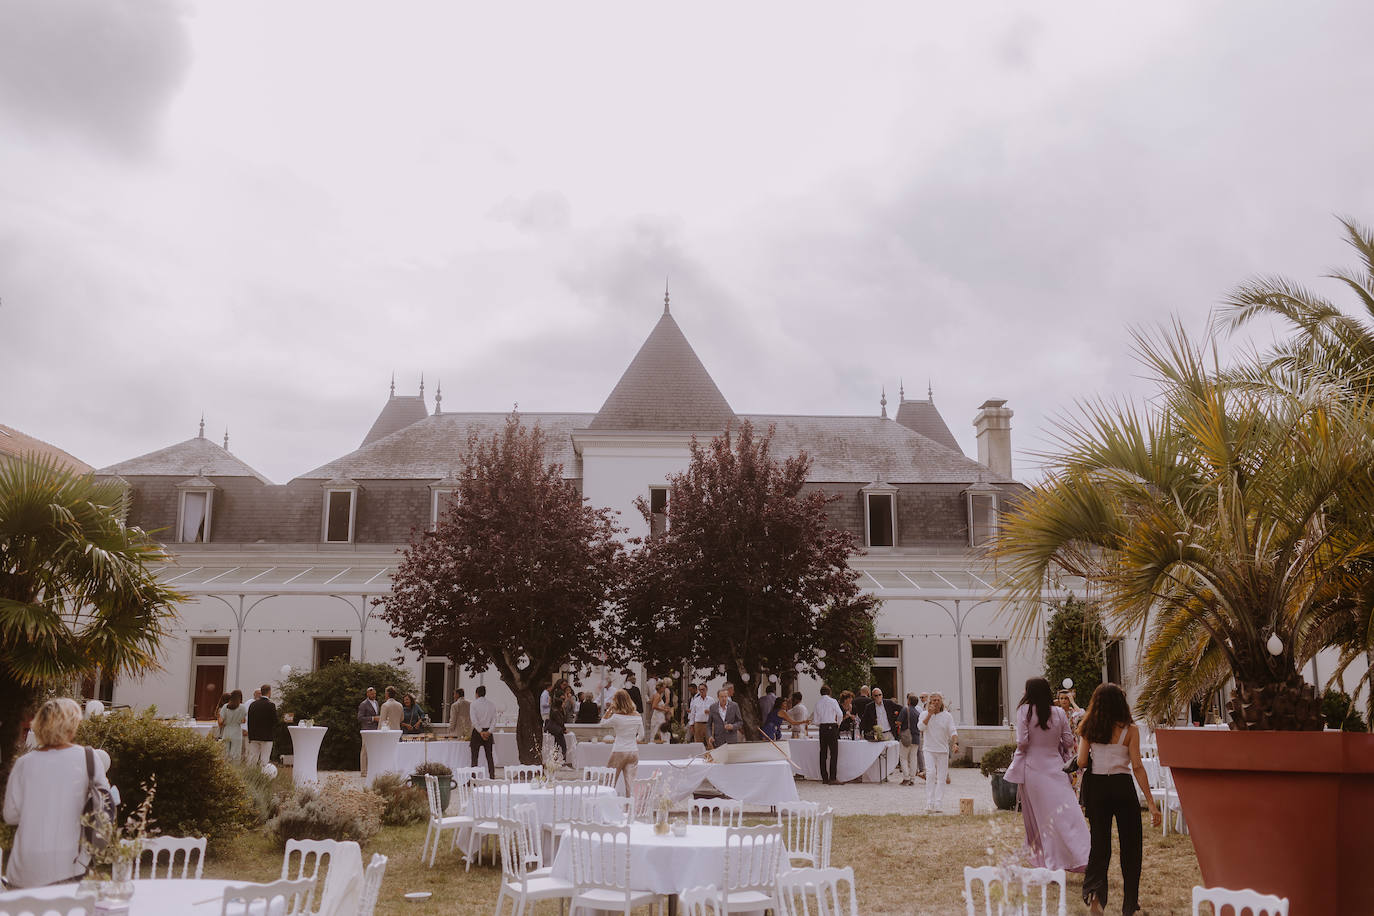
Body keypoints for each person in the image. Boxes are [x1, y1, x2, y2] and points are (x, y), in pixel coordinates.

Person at [2, 698, 112, 888]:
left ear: (39, 725)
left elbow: (10, 816)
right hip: (70, 863)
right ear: (72, 725)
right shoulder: (88, 758)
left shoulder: (24, 763)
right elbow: (105, 804)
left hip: (25, 867)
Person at [1078, 683, 1161, 916]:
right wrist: (1152, 804)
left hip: (1097, 788)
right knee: (1131, 846)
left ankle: (1096, 897)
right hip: (1122, 786)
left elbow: (1082, 762)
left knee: (1100, 845)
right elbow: (1137, 767)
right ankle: (1129, 904)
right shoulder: (1131, 730)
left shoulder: (1088, 727)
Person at [1004, 677, 1090, 873]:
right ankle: (1084, 855)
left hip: (1033, 769)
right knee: (1070, 814)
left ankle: (1051, 863)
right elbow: (1068, 741)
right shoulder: (1059, 712)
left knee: (1042, 819)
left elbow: (1023, 742)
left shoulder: (1024, 711)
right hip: (1056, 768)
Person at [918, 692, 957, 813]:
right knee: (930, 773)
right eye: (933, 700)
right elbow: (920, 728)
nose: (935, 702)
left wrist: (955, 743)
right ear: (930, 702)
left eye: (938, 700)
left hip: (943, 750)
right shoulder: (924, 714)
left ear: (941, 701)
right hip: (928, 749)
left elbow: (953, 731)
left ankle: (938, 803)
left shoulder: (947, 716)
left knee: (941, 778)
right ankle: (929, 802)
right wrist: (929, 715)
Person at [603, 689, 644, 793]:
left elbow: (602, 723)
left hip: (619, 750)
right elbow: (642, 735)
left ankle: (606, 804)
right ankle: (631, 807)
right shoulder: (638, 716)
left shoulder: (616, 717)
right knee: (631, 783)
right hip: (633, 751)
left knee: (609, 781)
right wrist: (635, 740)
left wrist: (609, 710)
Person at [812, 685, 843, 784]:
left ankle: (824, 778)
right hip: (832, 727)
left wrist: (821, 725)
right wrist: (838, 723)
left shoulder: (817, 703)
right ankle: (832, 778)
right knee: (834, 753)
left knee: (823, 753)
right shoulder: (833, 701)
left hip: (822, 728)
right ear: (829, 692)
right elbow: (840, 714)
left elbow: (816, 720)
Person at [246, 683, 277, 768]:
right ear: (269, 692)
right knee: (264, 759)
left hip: (254, 735)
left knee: (252, 758)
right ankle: (263, 776)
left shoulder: (253, 704)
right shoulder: (271, 705)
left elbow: (249, 721)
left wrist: (250, 735)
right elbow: (275, 721)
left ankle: (250, 776)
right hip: (266, 736)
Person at [897, 692, 925, 785]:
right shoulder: (918, 713)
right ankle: (912, 779)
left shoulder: (906, 709)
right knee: (913, 758)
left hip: (906, 737)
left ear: (908, 701)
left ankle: (906, 777)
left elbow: (899, 722)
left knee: (903, 757)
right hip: (916, 737)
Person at [469, 684, 497, 777]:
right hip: (488, 730)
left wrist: (480, 731)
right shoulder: (491, 704)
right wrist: (489, 731)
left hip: (477, 732)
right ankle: (492, 775)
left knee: (474, 757)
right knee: (489, 755)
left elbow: (474, 720)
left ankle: (473, 777)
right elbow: (494, 720)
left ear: (476, 694)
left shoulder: (473, 704)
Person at [357, 686, 379, 777]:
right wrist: (373, 718)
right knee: (365, 750)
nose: (373, 695)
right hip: (366, 730)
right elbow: (360, 718)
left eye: (374, 693)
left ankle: (371, 770)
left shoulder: (376, 703)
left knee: (373, 750)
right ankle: (363, 771)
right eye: (371, 693)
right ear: (367, 694)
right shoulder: (363, 704)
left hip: (375, 729)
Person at [218, 689, 246, 761]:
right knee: (236, 752)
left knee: (225, 751)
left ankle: (225, 766)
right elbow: (243, 721)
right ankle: (234, 767)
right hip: (237, 730)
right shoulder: (242, 707)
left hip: (227, 729)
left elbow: (220, 721)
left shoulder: (225, 706)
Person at [546, 683, 569, 761]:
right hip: (557, 730)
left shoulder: (555, 709)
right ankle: (562, 761)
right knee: (563, 746)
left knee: (556, 745)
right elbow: (560, 722)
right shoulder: (556, 711)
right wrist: (564, 729)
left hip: (555, 730)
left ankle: (555, 760)